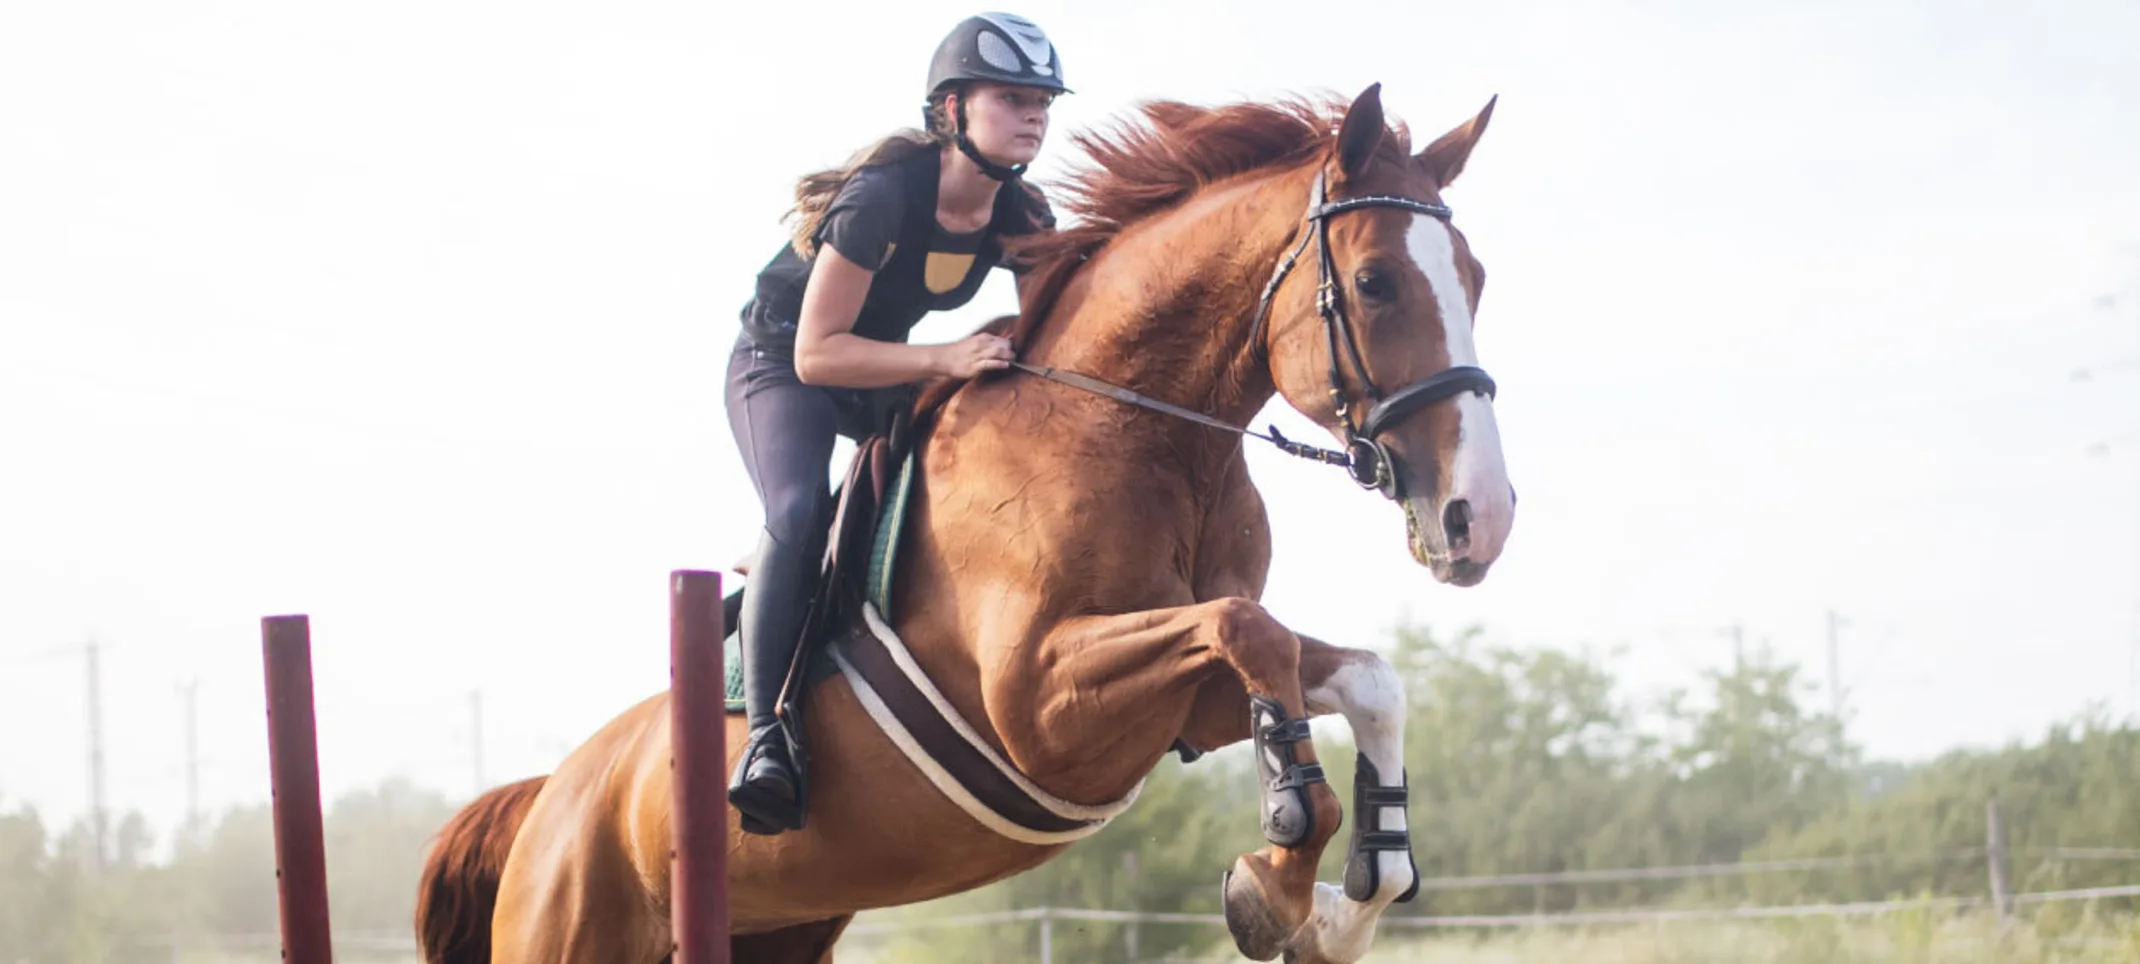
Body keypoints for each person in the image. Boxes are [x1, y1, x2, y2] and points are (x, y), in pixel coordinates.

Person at [723, 12, 1069, 835]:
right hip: (784, 367)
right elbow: (818, 354)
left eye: (1044, 102)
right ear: (950, 111)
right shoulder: (881, 198)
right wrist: (948, 356)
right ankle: (769, 737)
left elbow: (1058, 337)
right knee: (799, 508)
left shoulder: (1022, 214)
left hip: (880, 365)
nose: (1034, 115)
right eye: (1012, 97)